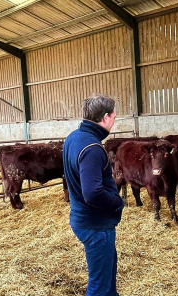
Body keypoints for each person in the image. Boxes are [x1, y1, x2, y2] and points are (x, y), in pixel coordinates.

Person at [63, 94, 124, 296]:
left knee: (108, 275)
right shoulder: (92, 148)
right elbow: (92, 193)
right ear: (105, 117)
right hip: (95, 225)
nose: (114, 122)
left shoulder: (74, 137)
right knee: (99, 285)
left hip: (84, 218)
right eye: (114, 117)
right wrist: (117, 202)